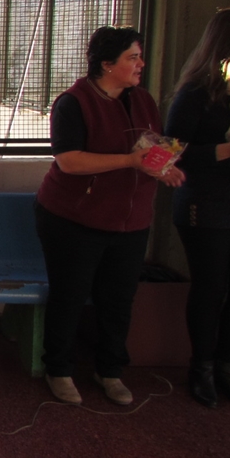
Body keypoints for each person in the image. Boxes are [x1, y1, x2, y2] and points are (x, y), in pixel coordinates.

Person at [35, 26, 184, 406]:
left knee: (119, 299)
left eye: (139, 57)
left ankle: (110, 370)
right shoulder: (73, 103)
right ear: (106, 64)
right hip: (74, 218)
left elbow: (151, 147)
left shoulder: (144, 101)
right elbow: (69, 161)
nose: (141, 64)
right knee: (70, 295)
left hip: (132, 221)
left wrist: (163, 166)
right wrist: (131, 161)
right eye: (132, 58)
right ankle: (59, 369)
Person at [165, 6, 230, 408]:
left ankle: (229, 364)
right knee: (211, 287)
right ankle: (202, 367)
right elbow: (170, 151)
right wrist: (228, 150)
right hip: (207, 201)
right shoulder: (198, 92)